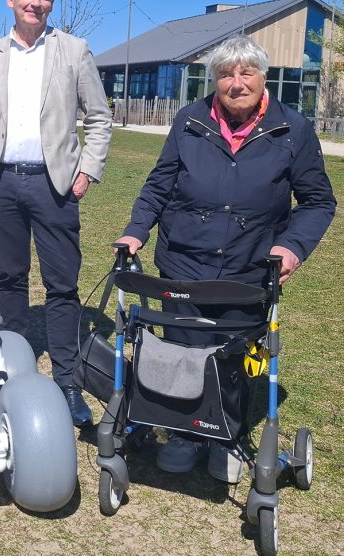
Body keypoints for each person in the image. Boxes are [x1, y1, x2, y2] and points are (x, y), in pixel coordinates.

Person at [118, 34, 336, 482]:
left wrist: (291, 248)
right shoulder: (190, 120)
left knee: (230, 352)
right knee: (183, 346)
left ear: (262, 75)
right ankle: (186, 433)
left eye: (246, 72)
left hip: (249, 264)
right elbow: (159, 185)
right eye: (225, 74)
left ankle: (226, 435)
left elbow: (317, 201)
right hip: (183, 260)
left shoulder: (292, 128)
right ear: (214, 79)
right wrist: (135, 232)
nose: (236, 83)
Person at [0, 0, 112, 427]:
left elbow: (99, 118)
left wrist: (87, 171)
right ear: (11, 0)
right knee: (12, 279)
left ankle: (66, 379)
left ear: (50, 3)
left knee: (62, 285)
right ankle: (13, 372)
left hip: (55, 185)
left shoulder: (75, 51)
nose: (36, 3)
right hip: (0, 186)